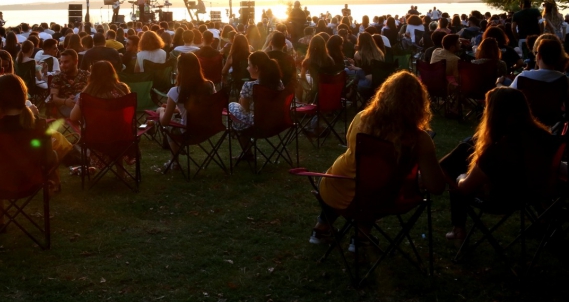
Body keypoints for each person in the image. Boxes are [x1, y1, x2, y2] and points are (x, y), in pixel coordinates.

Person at [309, 72, 446, 245]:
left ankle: (322, 228)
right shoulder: (419, 139)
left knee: (360, 179)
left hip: (338, 187)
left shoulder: (361, 119)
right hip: (382, 199)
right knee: (374, 184)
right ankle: (360, 238)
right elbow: (436, 186)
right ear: (419, 104)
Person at [439, 87, 558, 240]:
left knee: (455, 167)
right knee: (467, 146)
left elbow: (466, 186)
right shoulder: (544, 138)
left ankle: (458, 228)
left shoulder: (498, 151)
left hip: (500, 200)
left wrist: (461, 177)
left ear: (494, 115)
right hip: (531, 194)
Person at [0, 74, 63, 231]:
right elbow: (47, 159)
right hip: (31, 182)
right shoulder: (38, 125)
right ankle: (53, 186)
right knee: (54, 152)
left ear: (0, 100)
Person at [154, 53, 216, 170]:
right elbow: (199, 108)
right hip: (208, 129)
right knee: (176, 118)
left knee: (170, 126)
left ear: (180, 69)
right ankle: (177, 155)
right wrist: (175, 109)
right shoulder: (209, 85)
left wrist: (162, 110)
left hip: (189, 132)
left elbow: (165, 122)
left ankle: (174, 161)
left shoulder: (175, 91)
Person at [228, 52, 285, 159]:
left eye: (249, 65)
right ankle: (241, 142)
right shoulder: (279, 83)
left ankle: (246, 150)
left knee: (232, 106)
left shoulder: (249, 86)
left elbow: (244, 109)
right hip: (277, 122)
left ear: (256, 68)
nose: (247, 68)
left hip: (258, 125)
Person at [49, 49, 89, 118]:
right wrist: (65, 101)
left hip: (84, 105)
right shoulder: (58, 77)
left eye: (66, 62)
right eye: (61, 62)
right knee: (81, 96)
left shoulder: (86, 75)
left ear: (76, 62)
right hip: (65, 108)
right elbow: (53, 98)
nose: (62, 65)